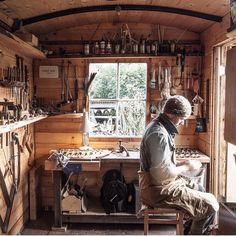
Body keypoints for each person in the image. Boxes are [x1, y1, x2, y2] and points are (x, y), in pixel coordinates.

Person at [139, 95, 219, 235]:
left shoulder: (159, 125)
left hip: (162, 184)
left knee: (200, 188)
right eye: (181, 118)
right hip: (158, 190)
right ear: (171, 114)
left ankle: (187, 230)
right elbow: (161, 173)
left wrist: (183, 162)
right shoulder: (159, 134)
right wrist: (187, 167)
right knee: (211, 205)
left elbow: (163, 163)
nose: (182, 122)